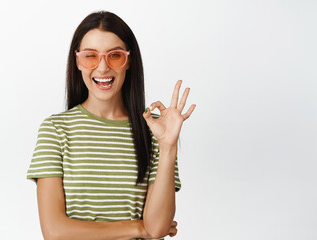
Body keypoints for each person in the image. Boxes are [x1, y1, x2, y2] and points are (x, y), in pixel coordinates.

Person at [26, 10, 195, 240]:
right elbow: (55, 232)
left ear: (129, 61)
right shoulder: (55, 130)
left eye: (114, 55)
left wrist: (168, 146)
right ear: (77, 61)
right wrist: (138, 227)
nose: (103, 68)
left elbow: (156, 228)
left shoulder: (156, 132)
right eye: (90, 56)